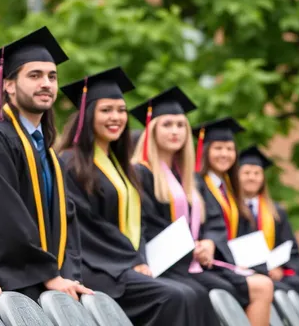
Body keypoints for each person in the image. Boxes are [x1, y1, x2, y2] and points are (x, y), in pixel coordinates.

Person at [58, 67, 201, 326]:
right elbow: (86, 225)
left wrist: (141, 260)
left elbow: (139, 224)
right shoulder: (70, 164)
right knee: (174, 296)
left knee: (191, 294)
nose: (116, 117)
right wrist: (131, 260)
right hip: (98, 268)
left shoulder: (121, 166)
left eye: (121, 110)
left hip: (124, 264)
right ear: (87, 115)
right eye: (106, 110)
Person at [0, 27, 92, 301]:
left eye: (52, 76)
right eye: (34, 76)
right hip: (14, 282)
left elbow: (68, 222)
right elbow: (3, 216)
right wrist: (48, 275)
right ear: (8, 85)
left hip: (51, 280)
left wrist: (68, 275)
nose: (46, 83)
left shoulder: (47, 150)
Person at [130, 87, 240, 326]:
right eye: (167, 124)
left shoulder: (190, 178)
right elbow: (143, 223)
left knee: (225, 289)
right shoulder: (140, 172)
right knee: (195, 294)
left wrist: (208, 243)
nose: (175, 131)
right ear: (152, 129)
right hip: (160, 262)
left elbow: (211, 220)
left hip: (188, 263)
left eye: (181, 125)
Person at [193, 117, 274, 326]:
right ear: (206, 150)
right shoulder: (198, 183)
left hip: (230, 261)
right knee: (262, 286)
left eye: (229, 149)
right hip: (207, 262)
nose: (224, 154)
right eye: (218, 148)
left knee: (266, 281)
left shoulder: (229, 189)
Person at [238, 146, 299, 326]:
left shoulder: (275, 212)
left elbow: (291, 248)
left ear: (263, 178)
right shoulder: (232, 209)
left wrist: (279, 266)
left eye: (256, 173)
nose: (252, 177)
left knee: (297, 282)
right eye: (246, 172)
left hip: (273, 273)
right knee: (285, 288)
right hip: (246, 272)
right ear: (236, 176)